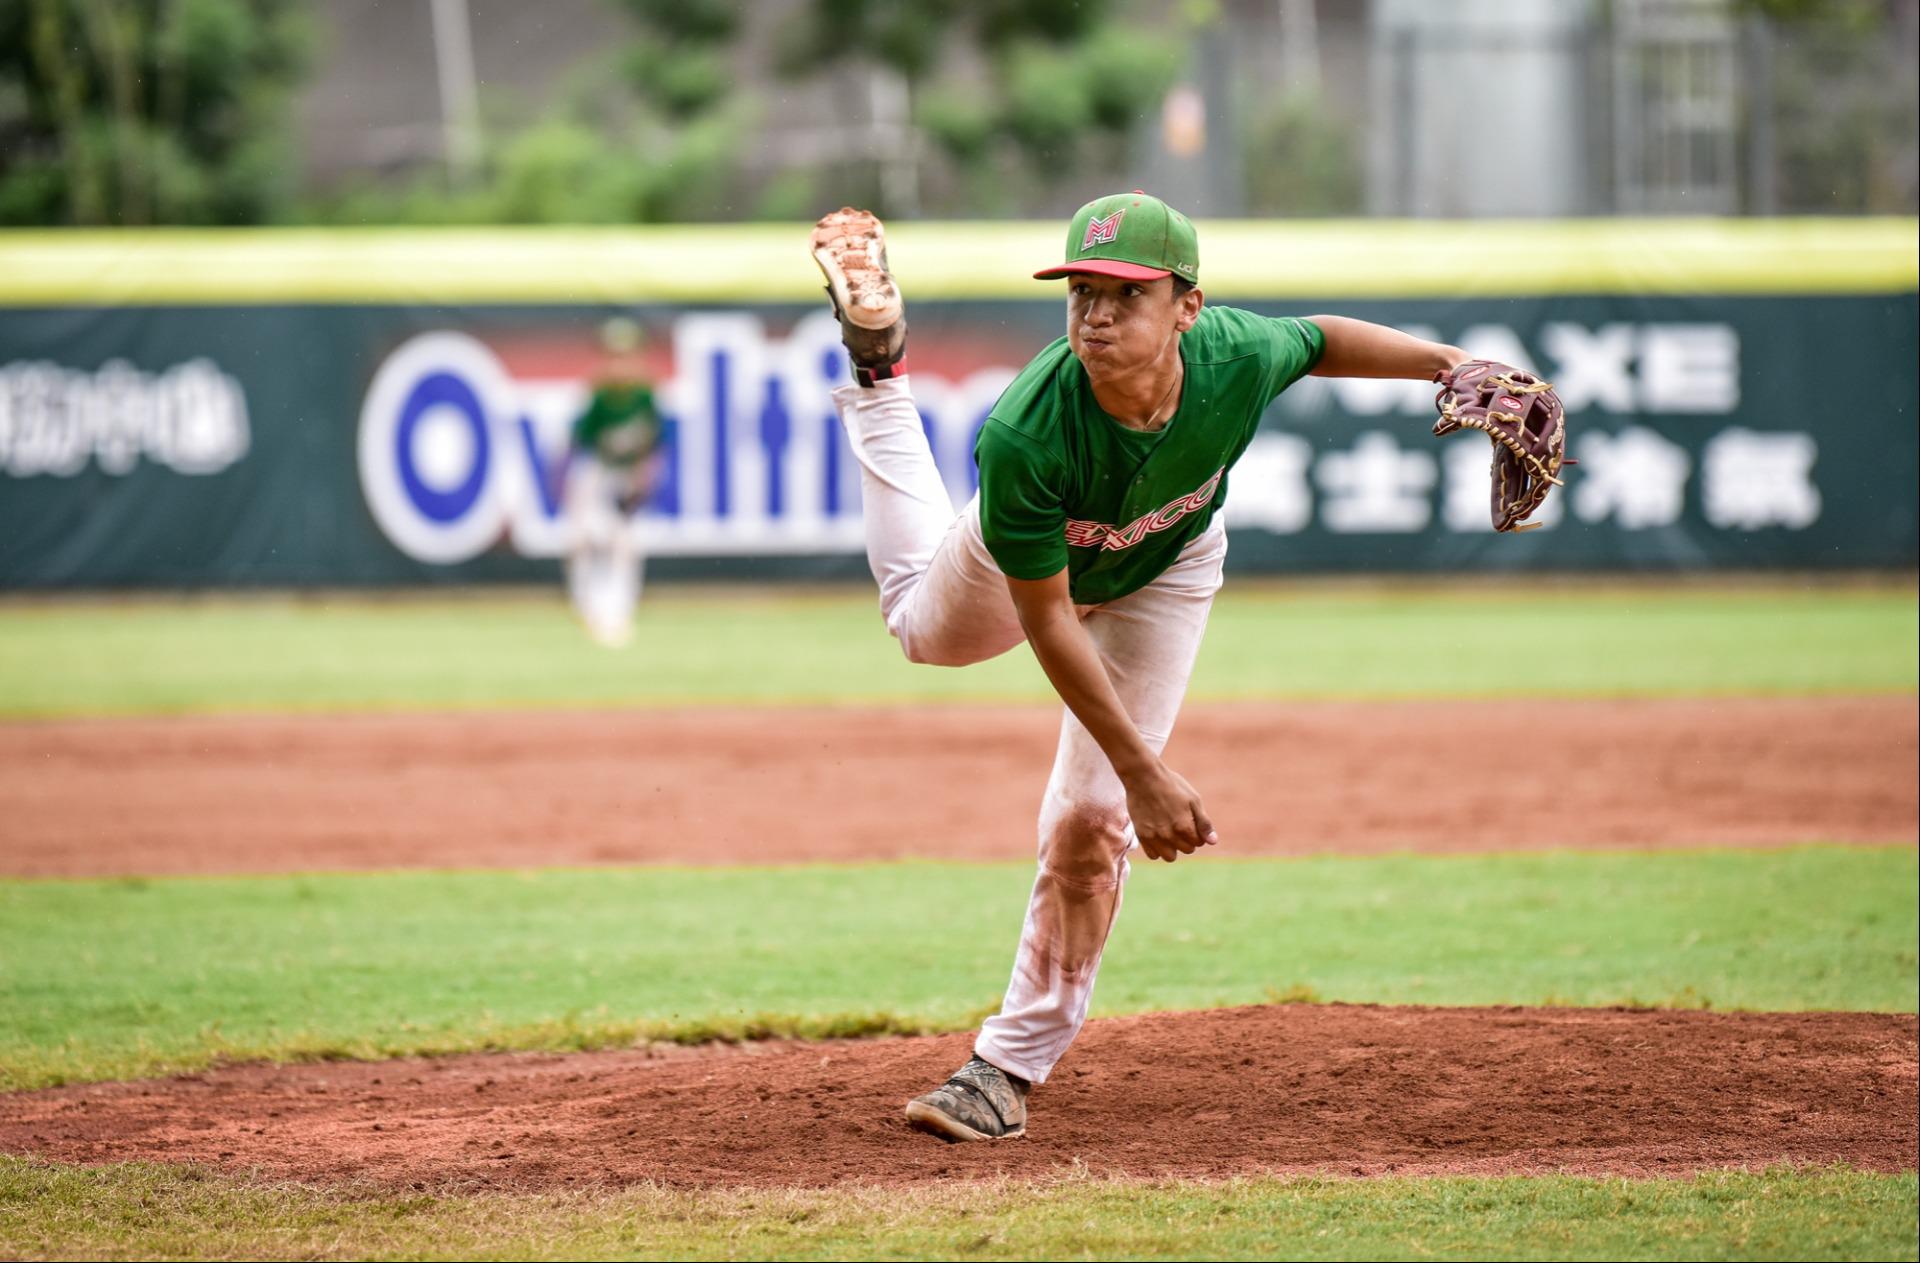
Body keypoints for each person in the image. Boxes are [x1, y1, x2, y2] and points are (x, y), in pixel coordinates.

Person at [810, 192, 1474, 1143]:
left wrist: (1453, 364)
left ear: (1187, 307)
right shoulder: (1027, 433)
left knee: (1088, 822)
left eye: (1126, 293)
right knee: (922, 629)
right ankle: (879, 372)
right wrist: (1144, 768)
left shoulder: (1236, 354)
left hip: (1170, 561)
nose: (1097, 314)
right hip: (1031, 562)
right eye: (1082, 290)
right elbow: (1050, 618)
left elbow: (1321, 338)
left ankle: (1006, 1067)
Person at [563, 317, 663, 648]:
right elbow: (581, 447)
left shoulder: (645, 395)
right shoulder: (600, 396)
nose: (620, 363)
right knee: (584, 539)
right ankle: (586, 607)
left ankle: (618, 613)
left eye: (626, 355)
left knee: (625, 545)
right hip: (598, 472)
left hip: (625, 475)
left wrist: (641, 479)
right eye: (614, 355)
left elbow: (654, 445)